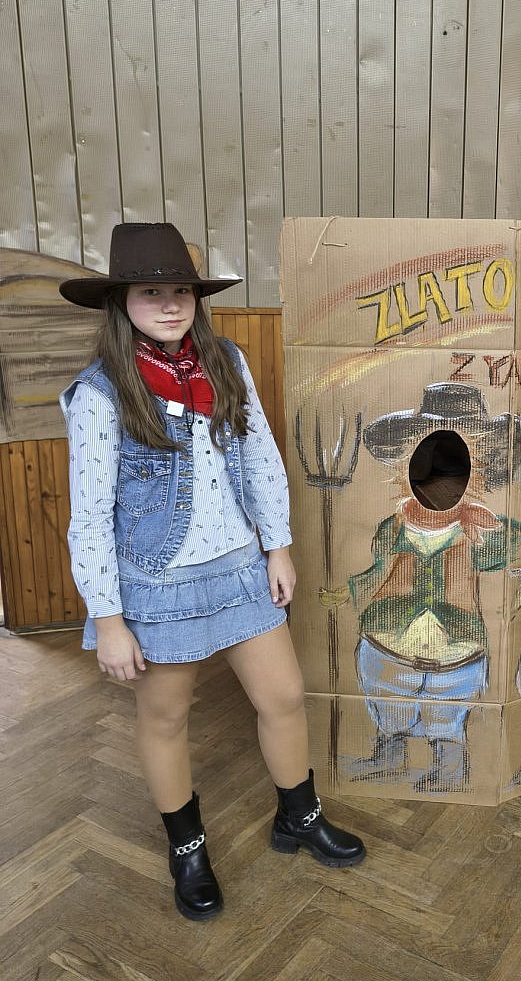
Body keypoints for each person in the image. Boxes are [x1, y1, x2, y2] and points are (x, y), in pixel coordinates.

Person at [59, 222, 365, 922]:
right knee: (166, 716)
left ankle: (298, 816)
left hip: (238, 566)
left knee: (284, 697)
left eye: (181, 291)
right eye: (150, 293)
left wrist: (277, 547)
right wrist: (109, 619)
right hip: (157, 581)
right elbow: (90, 516)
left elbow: (258, 455)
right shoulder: (101, 393)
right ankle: (188, 849)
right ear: (121, 303)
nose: (170, 304)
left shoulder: (224, 361)